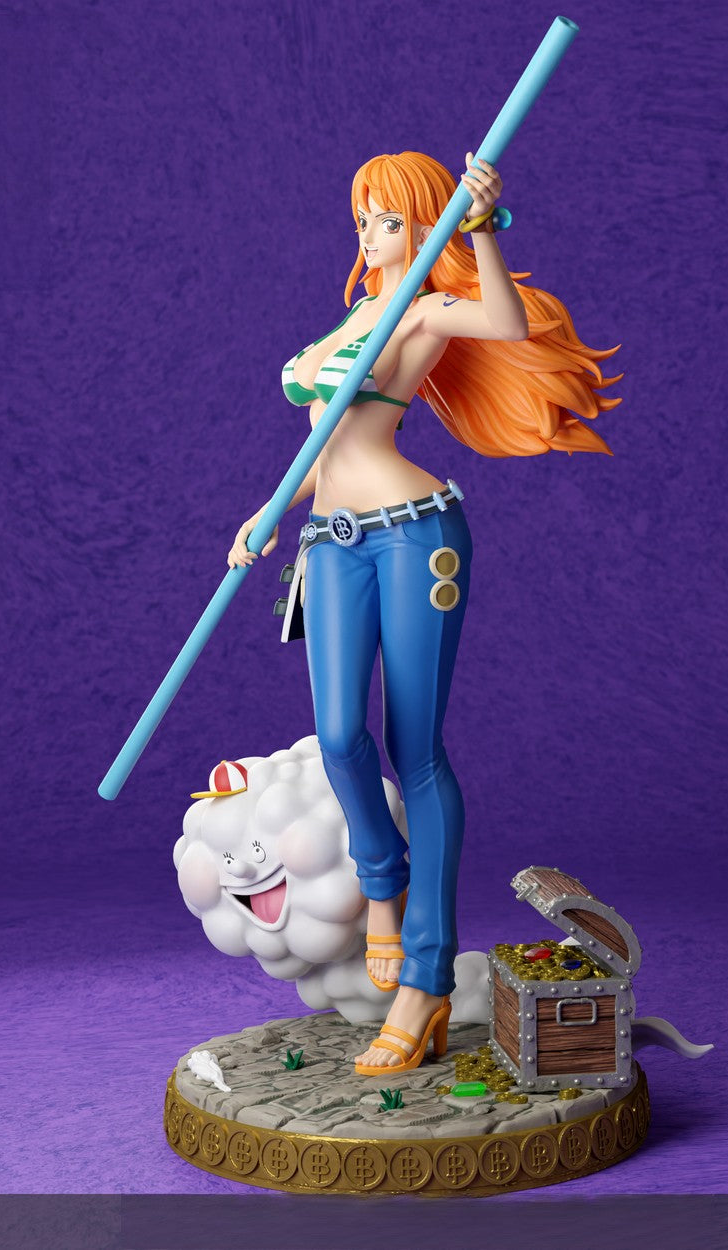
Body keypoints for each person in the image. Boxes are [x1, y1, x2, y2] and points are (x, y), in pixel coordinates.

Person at [228, 151, 619, 1075]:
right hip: (329, 540)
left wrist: (479, 228)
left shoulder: (422, 309)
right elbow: (323, 446)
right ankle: (383, 881)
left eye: (390, 220)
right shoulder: (355, 317)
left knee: (416, 748)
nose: (371, 235)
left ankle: (427, 979)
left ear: (423, 224)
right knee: (337, 736)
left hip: (412, 535)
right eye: (363, 220)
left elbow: (504, 321)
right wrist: (269, 511)